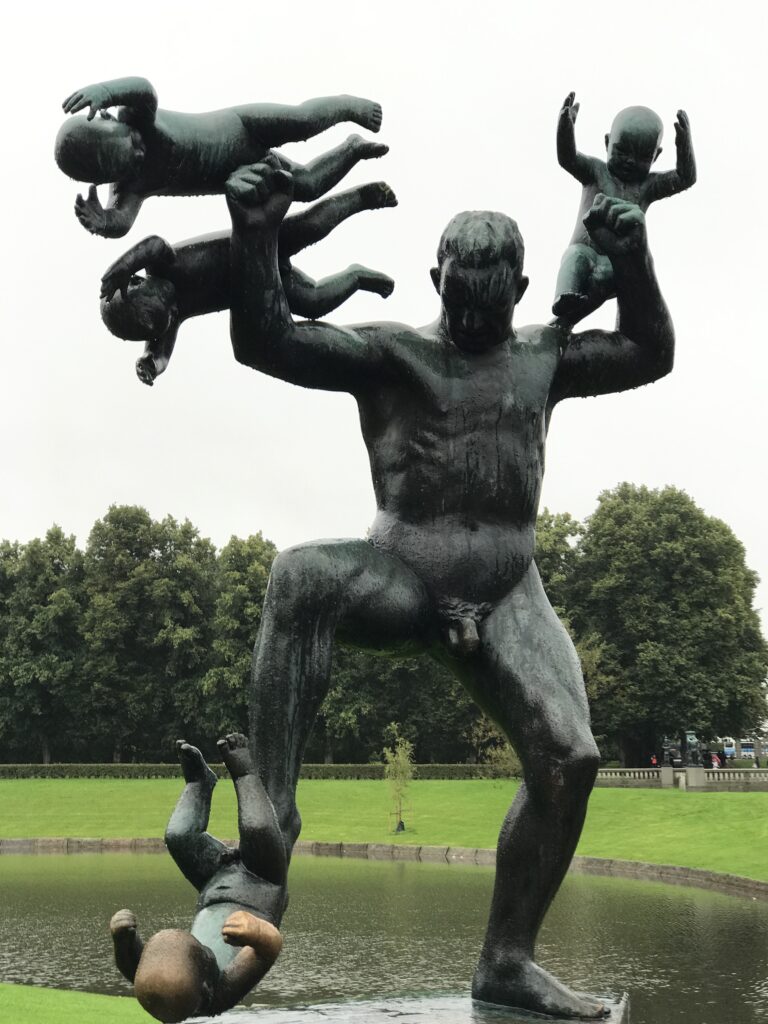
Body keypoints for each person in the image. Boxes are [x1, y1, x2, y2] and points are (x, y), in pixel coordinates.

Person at [224, 159, 675, 1020]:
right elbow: (266, 339)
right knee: (298, 576)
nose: (472, 320)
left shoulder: (544, 357)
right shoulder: (394, 355)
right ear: (436, 280)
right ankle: (267, 831)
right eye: (460, 303)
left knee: (570, 760)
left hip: (507, 589)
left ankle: (507, 962)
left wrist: (637, 258)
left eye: (489, 307)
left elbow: (650, 352)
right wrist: (256, 235)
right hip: (404, 575)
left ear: (520, 289)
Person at [99, 180, 396, 385]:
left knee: (309, 226)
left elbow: (153, 244)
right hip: (264, 281)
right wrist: (150, 365)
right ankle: (356, 277)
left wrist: (123, 265)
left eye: (163, 299)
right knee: (314, 301)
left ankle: (361, 198)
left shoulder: (161, 264)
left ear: (138, 281)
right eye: (167, 314)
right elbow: (159, 353)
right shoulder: (171, 316)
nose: (172, 306)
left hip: (257, 243)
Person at [55, 76, 385, 237]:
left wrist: (106, 91)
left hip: (241, 127)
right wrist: (104, 224)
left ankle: (346, 106)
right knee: (307, 186)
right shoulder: (130, 188)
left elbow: (143, 88)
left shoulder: (137, 115)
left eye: (132, 143)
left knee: (302, 122)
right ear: (106, 176)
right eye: (131, 161)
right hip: (244, 171)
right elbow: (123, 221)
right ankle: (352, 149)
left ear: (109, 119)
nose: (141, 151)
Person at [110, 734, 286, 1022]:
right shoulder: (220, 991)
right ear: (205, 986)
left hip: (214, 882)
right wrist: (255, 931)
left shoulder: (166, 986)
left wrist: (123, 942)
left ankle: (199, 783)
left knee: (178, 836)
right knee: (257, 830)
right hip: (261, 884)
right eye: (203, 953)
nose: (205, 946)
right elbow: (270, 950)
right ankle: (245, 772)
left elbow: (133, 968)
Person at [553, 92, 695, 324]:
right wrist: (565, 129)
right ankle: (565, 298)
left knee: (628, 276)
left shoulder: (647, 186)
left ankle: (618, 322)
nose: (629, 160)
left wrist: (684, 147)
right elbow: (567, 158)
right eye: (621, 151)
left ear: (656, 156)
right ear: (607, 143)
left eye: (641, 156)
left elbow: (684, 178)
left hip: (617, 261)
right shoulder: (596, 172)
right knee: (574, 256)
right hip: (584, 250)